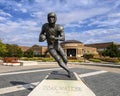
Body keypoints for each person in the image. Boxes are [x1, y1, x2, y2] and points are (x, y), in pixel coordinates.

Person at [39, 12, 72, 78]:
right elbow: (40, 36)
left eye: (52, 17)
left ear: (55, 18)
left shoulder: (59, 27)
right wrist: (42, 37)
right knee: (59, 59)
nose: (51, 19)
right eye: (49, 17)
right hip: (51, 47)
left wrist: (55, 38)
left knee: (65, 59)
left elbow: (63, 38)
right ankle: (68, 71)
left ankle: (64, 66)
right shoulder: (45, 26)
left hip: (57, 45)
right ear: (47, 19)